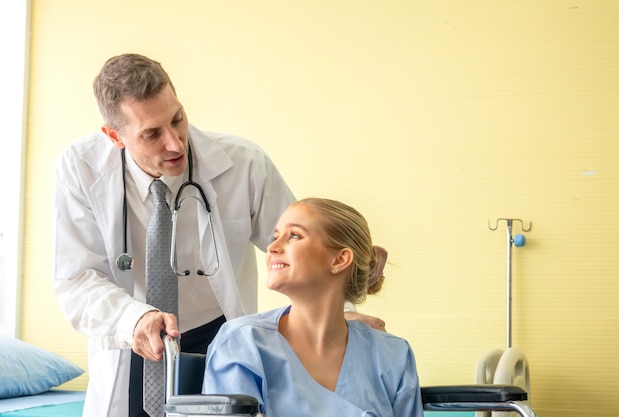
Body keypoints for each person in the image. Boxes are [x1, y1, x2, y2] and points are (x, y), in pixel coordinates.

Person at [52, 54, 384, 417]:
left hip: (223, 334)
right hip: (136, 336)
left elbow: (307, 251)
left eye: (177, 120)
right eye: (152, 134)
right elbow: (77, 278)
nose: (176, 143)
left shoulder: (245, 163)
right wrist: (133, 319)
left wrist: (342, 313)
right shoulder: (80, 168)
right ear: (114, 136)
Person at [202, 198, 423, 417]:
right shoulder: (241, 343)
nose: (271, 248)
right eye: (275, 237)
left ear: (339, 260)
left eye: (295, 235)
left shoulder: (392, 355)